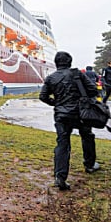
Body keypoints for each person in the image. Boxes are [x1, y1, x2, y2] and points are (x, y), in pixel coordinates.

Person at [40, 51, 100, 191]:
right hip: (80, 114)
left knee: (62, 144)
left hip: (61, 115)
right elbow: (93, 90)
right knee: (87, 136)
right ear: (69, 62)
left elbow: (43, 96)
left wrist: (56, 103)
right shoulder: (77, 74)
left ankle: (60, 177)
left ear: (56, 63)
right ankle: (89, 165)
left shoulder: (51, 78)